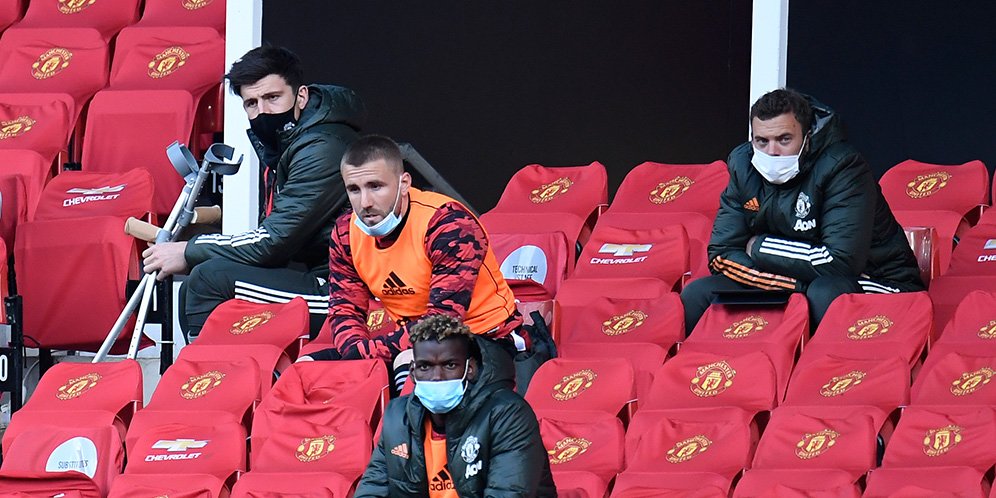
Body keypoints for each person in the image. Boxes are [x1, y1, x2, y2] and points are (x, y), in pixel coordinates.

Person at [141, 46, 365, 341]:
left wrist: (188, 250)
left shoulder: (322, 147)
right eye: (251, 103)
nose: (263, 112)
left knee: (209, 280)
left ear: (301, 96)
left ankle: (213, 369)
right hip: (324, 278)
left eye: (273, 97)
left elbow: (273, 242)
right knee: (205, 277)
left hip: (348, 293)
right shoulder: (286, 144)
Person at [681, 88, 924, 333]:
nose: (772, 151)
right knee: (698, 293)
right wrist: (793, 284)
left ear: (807, 137)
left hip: (878, 280)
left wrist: (759, 247)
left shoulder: (844, 166)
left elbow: (840, 261)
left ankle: (826, 359)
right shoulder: (743, 165)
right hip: (796, 279)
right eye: (762, 141)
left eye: (784, 139)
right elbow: (722, 254)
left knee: (824, 291)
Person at [304, 135, 534, 383]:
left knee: (411, 361)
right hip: (409, 340)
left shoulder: (449, 224)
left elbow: (442, 322)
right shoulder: (345, 232)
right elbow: (344, 308)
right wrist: (354, 352)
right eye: (354, 190)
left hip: (488, 338)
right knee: (305, 366)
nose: (365, 202)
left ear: (404, 183)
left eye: (376, 186)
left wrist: (363, 354)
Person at [354, 314, 556, 497]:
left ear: (470, 369)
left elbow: (509, 493)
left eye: (450, 365)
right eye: (425, 366)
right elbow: (372, 489)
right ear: (413, 372)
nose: (436, 377)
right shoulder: (397, 417)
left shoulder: (508, 415)